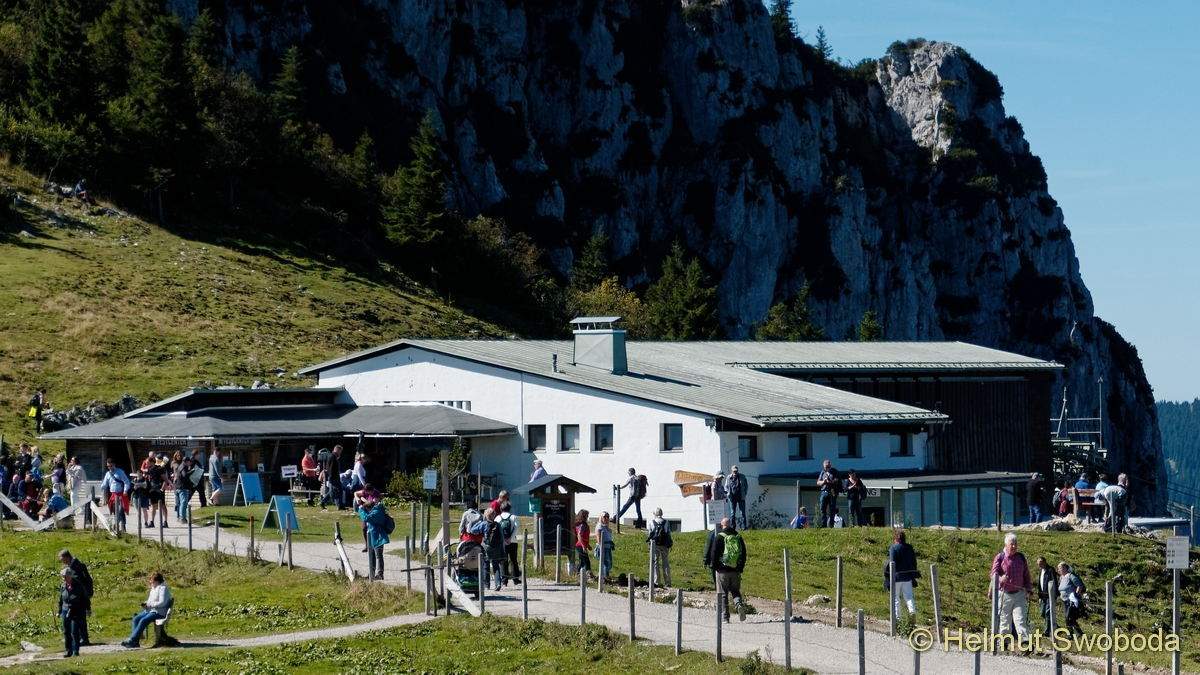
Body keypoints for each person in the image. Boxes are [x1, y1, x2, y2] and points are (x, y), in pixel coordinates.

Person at [988, 532, 1033, 643]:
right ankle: (1004, 642)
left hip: (1019, 593)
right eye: (1011, 544)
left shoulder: (1021, 557)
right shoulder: (1000, 557)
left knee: (1020, 618)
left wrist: (1029, 588)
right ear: (1006, 544)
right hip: (1005, 594)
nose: (1014, 546)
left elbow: (1026, 574)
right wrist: (1000, 579)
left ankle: (1025, 642)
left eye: (1015, 544)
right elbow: (993, 574)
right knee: (1005, 619)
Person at [120, 573, 172, 648]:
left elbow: (162, 603)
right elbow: (150, 601)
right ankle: (135, 642)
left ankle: (132, 640)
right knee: (136, 619)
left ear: (157, 581)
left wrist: (150, 605)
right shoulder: (153, 588)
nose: (150, 582)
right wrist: (146, 603)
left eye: (152, 580)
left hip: (159, 612)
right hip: (151, 610)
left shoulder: (163, 589)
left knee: (143, 620)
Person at [710, 517, 747, 622]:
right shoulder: (738, 536)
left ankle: (725, 617)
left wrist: (715, 567)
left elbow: (714, 553)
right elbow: (743, 553)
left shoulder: (719, 537)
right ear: (730, 524)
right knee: (735, 591)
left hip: (722, 570)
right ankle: (738, 604)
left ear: (722, 525)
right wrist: (740, 567)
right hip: (735, 570)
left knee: (723, 594)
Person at [59, 550, 93, 646]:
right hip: (77, 595)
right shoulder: (72, 565)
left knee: (80, 618)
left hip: (80, 595)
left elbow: (83, 581)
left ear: (67, 557)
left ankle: (83, 639)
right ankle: (77, 638)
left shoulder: (77, 566)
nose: (62, 562)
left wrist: (83, 595)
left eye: (62, 559)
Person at [885, 528, 919, 618]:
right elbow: (914, 562)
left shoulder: (893, 548)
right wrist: (913, 575)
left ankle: (897, 618)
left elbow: (892, 562)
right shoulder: (909, 547)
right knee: (909, 597)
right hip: (908, 576)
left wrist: (888, 576)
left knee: (896, 597)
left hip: (896, 577)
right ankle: (912, 612)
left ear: (896, 538)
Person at [357, 498, 390, 580]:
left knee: (378, 556)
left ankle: (380, 574)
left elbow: (366, 518)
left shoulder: (377, 512)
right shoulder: (374, 511)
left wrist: (361, 509)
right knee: (371, 556)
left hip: (378, 537)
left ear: (369, 508)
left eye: (367, 510)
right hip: (372, 536)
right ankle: (371, 574)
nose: (367, 511)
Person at [58, 567, 87, 657]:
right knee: (66, 631)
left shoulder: (78, 585)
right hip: (65, 610)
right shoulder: (63, 586)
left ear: (70, 576)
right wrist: (59, 610)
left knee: (74, 631)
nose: (64, 578)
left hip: (76, 610)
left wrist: (87, 609)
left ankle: (75, 651)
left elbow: (83, 598)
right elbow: (61, 599)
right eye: (63, 576)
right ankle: (68, 650)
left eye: (65, 576)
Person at [1056, 562, 1085, 637]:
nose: (1059, 569)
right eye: (1058, 568)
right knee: (1069, 618)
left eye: (1060, 568)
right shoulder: (1061, 578)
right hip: (1064, 601)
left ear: (1065, 568)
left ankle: (1070, 634)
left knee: (1068, 617)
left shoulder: (1070, 576)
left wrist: (1076, 595)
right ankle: (1079, 633)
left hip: (1071, 601)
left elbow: (1079, 585)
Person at [101, 458, 131, 531]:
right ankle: (118, 527)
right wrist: (99, 489)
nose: (109, 468)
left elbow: (127, 482)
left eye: (111, 466)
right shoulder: (108, 474)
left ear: (114, 465)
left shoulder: (120, 472)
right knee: (115, 511)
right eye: (108, 466)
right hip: (113, 495)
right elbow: (104, 484)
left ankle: (121, 526)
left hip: (121, 494)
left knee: (121, 511)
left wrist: (125, 491)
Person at [646, 507, 673, 586]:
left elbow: (649, 534)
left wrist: (649, 545)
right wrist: (670, 544)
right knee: (665, 563)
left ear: (655, 514)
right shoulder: (666, 522)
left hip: (655, 545)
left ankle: (656, 581)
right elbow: (668, 533)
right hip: (664, 545)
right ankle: (668, 582)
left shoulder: (651, 522)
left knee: (655, 563)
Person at [482, 508, 506, 591]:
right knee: (496, 566)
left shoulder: (483, 524)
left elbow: (474, 530)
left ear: (486, 515)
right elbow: (502, 538)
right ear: (494, 515)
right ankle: (498, 583)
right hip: (496, 547)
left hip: (486, 547)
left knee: (486, 565)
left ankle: (487, 585)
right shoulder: (498, 525)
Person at [353, 482, 382, 552]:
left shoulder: (376, 494)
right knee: (364, 528)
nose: (366, 493)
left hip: (373, 514)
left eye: (368, 492)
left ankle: (375, 546)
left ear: (371, 490)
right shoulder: (365, 491)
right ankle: (367, 545)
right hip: (365, 513)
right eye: (365, 492)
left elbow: (372, 504)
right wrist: (358, 499)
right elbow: (355, 493)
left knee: (373, 529)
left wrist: (364, 501)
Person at [498, 502, 520, 585]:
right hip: (513, 541)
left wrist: (504, 540)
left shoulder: (498, 518)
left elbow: (497, 530)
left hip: (502, 543)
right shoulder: (514, 517)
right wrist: (510, 538)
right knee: (513, 560)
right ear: (509, 508)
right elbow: (516, 528)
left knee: (503, 561)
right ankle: (515, 579)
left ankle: (504, 580)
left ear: (501, 509)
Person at [1036, 556, 1058, 635]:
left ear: (1045, 562)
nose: (1039, 565)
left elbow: (1054, 581)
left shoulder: (1050, 570)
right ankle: (1054, 625)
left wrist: (1055, 594)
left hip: (1050, 595)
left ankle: (1047, 631)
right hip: (1043, 596)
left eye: (1040, 563)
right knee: (1042, 613)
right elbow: (1039, 583)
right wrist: (1039, 595)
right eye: (1038, 563)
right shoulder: (1041, 571)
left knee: (1048, 613)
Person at [817, 459, 840, 528]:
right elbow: (818, 482)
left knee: (832, 509)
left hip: (832, 492)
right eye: (826, 467)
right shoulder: (822, 472)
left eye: (828, 467)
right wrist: (823, 482)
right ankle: (823, 525)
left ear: (830, 466)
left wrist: (829, 481)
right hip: (824, 492)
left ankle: (831, 525)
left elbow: (837, 481)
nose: (827, 468)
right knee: (822, 508)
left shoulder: (834, 471)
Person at [724, 466, 748, 530]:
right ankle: (733, 527)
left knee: (742, 513)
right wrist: (728, 493)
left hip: (741, 497)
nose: (735, 472)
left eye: (736, 471)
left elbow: (746, 486)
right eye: (734, 471)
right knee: (732, 513)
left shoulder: (742, 476)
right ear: (731, 471)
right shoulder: (728, 477)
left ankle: (744, 527)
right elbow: (726, 487)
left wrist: (745, 493)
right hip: (732, 498)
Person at [573, 509, 592, 581]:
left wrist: (588, 545)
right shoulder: (582, 525)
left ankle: (577, 573)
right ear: (583, 516)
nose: (587, 517)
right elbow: (579, 535)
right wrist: (584, 546)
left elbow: (585, 536)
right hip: (580, 545)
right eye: (586, 515)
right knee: (586, 561)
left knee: (582, 560)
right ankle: (588, 574)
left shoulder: (581, 524)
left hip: (581, 545)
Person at [596, 512, 616, 578]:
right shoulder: (599, 526)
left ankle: (605, 576)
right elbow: (599, 539)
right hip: (603, 548)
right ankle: (603, 577)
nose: (606, 518)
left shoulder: (606, 526)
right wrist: (601, 547)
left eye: (608, 516)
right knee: (605, 563)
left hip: (608, 547)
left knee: (609, 563)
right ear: (601, 517)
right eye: (604, 516)